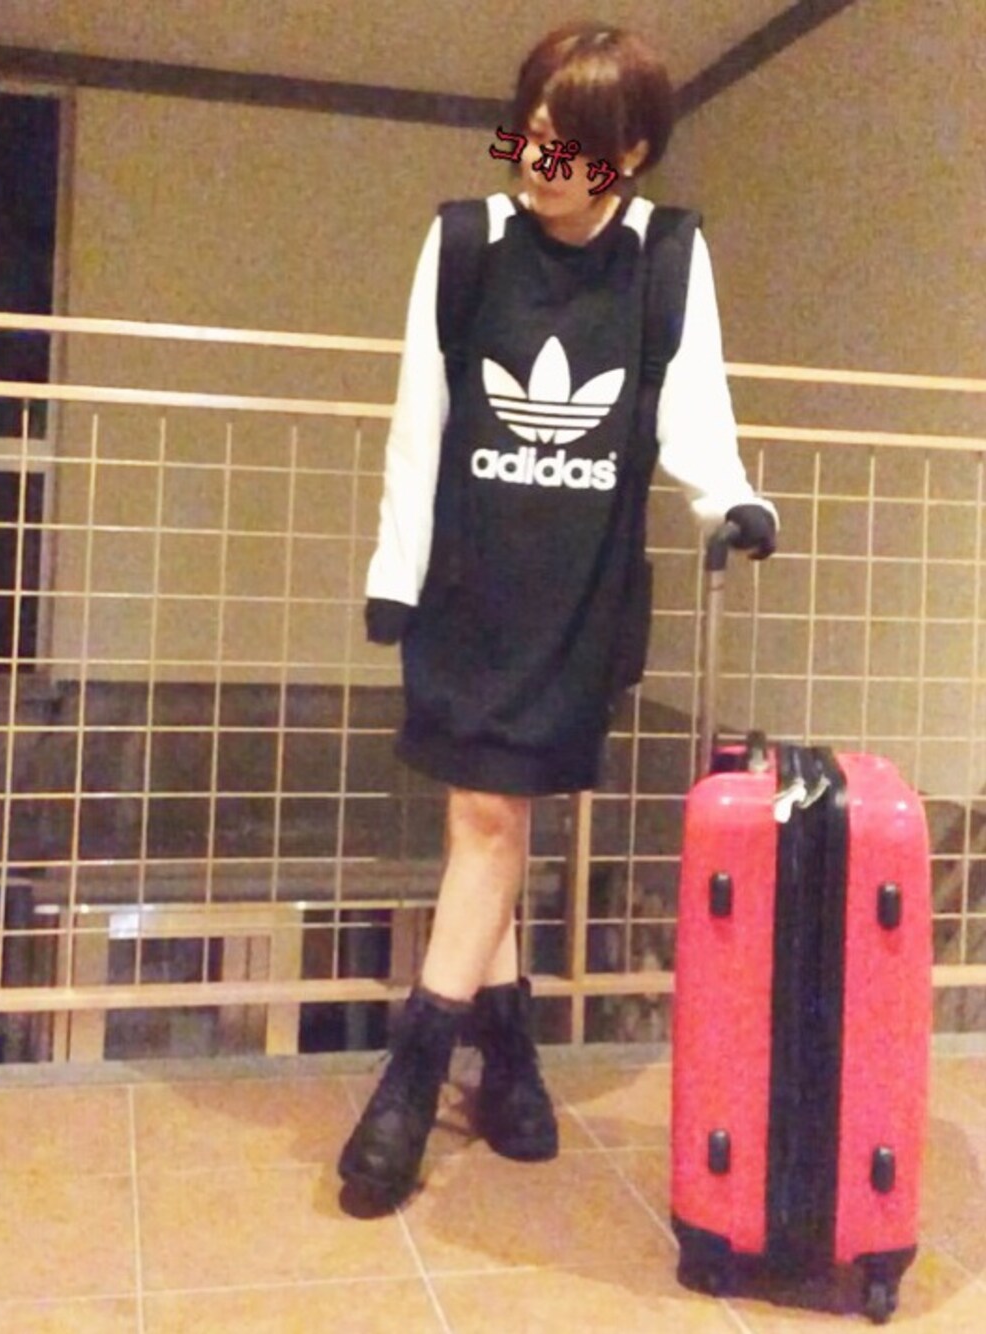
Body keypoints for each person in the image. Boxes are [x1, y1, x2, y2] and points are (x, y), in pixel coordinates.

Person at [338, 22, 777, 1208]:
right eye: (526, 135)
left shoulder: (667, 255)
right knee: (487, 814)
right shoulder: (466, 242)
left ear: (628, 153)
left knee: (491, 817)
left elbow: (694, 410)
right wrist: (394, 567)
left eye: (568, 147)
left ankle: (464, 1064)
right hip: (467, 585)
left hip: (578, 589)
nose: (537, 163)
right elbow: (419, 421)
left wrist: (732, 500)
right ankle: (461, 1069)